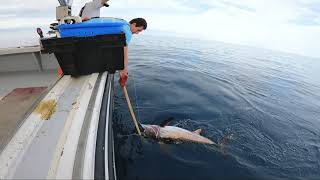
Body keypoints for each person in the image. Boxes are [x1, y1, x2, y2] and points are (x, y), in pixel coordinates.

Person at [79, 1, 147, 87]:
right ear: (133, 24)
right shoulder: (127, 31)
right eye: (138, 30)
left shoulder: (121, 24)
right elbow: (123, 54)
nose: (137, 33)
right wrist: (123, 74)